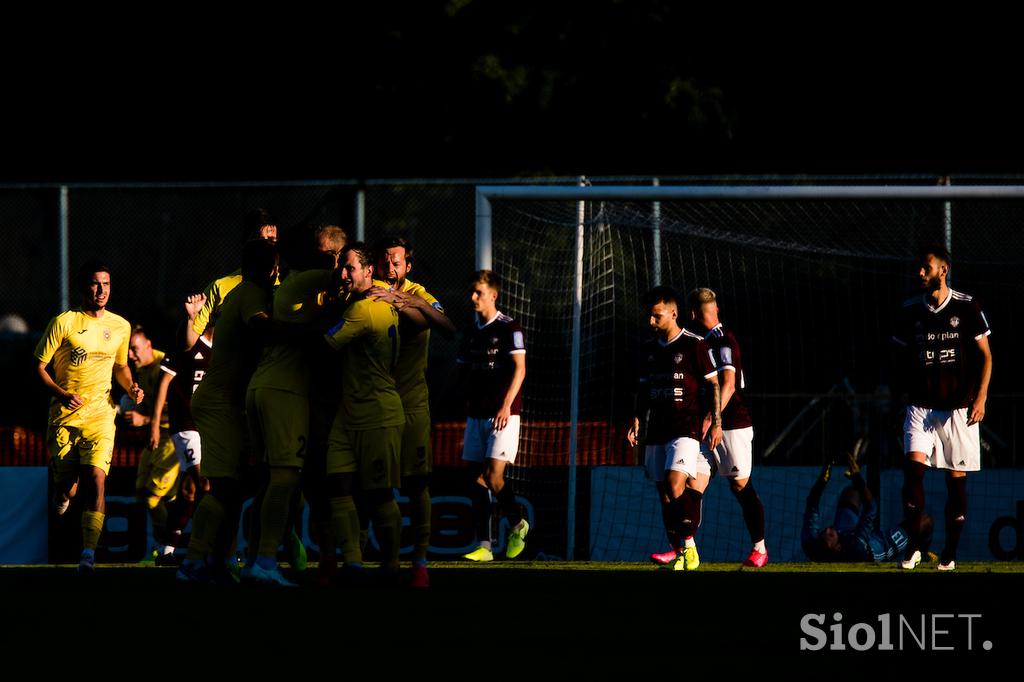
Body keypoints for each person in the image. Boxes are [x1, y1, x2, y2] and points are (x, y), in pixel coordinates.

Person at [243, 227, 342, 586]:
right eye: (338, 260)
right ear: (334, 258)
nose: (341, 270)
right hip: (283, 392)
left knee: (269, 481)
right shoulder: (317, 279)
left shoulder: (296, 287)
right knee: (285, 478)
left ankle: (254, 557)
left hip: (263, 387)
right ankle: (265, 560)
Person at [176, 239, 279, 585]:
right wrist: (301, 328)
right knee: (223, 487)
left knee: (237, 486)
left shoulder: (240, 292)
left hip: (225, 401)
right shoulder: (250, 293)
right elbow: (262, 327)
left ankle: (216, 561)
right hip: (220, 403)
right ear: (273, 269)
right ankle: (193, 562)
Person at [33, 259, 143, 575]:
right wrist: (62, 393)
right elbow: (39, 366)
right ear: (84, 286)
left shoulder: (120, 326)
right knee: (69, 486)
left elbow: (121, 367)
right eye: (96, 283)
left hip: (101, 415)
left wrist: (132, 386)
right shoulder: (64, 323)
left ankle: (88, 552)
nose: (101, 290)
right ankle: (62, 491)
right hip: (65, 415)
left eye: (106, 284)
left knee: (97, 479)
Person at [894, 244, 992, 571]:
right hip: (920, 407)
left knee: (955, 483)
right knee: (912, 476)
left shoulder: (966, 306)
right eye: (919, 268)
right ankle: (916, 546)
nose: (920, 272)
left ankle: (949, 555)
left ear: (943, 270)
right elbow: (898, 360)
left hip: (958, 409)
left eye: (926, 267)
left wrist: (980, 398)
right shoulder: (910, 310)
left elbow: (986, 357)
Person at [368, 236, 456, 587]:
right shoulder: (369, 289)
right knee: (376, 483)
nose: (390, 268)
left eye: (396, 262)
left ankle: (419, 559)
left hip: (412, 399)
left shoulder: (419, 292)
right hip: (375, 400)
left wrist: (409, 301)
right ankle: (384, 559)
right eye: (385, 261)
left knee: (417, 482)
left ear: (408, 267)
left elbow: (443, 325)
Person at [323, 242, 405, 581]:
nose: (343, 274)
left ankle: (391, 564)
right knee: (338, 484)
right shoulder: (381, 296)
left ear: (369, 271)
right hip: (350, 412)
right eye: (342, 266)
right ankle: (354, 563)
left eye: (350, 268)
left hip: (378, 413)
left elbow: (324, 344)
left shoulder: (362, 310)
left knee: (379, 494)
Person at [626, 286, 722, 571]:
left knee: (674, 482)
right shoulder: (649, 350)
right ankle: (680, 550)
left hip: (686, 427)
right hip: (657, 429)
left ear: (673, 313)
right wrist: (636, 419)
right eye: (649, 316)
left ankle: (689, 548)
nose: (651, 321)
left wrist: (716, 422)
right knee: (664, 494)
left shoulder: (694, 344)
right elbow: (643, 390)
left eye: (657, 316)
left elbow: (714, 384)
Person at [685, 288, 768, 567]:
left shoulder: (722, 341)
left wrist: (712, 418)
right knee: (691, 484)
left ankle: (760, 548)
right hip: (708, 425)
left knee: (740, 486)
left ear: (693, 314)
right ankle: (685, 547)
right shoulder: (704, 341)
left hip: (732, 425)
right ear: (716, 309)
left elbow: (729, 384)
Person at [458, 270, 529, 562]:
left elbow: (520, 369)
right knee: (476, 480)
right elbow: (462, 370)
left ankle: (517, 523)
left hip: (504, 415)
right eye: (472, 292)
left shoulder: (509, 327)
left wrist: (506, 405)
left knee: (494, 477)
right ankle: (485, 547)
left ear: (493, 295)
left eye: (479, 292)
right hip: (476, 415)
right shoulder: (471, 330)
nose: (473, 297)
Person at [149, 316, 214, 561]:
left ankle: (167, 550)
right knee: (205, 483)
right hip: (185, 425)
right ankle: (211, 548)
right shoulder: (185, 346)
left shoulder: (225, 348)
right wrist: (155, 425)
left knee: (188, 489)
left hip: (209, 425)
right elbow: (163, 384)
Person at [802, 451, 933, 562]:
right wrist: (859, 480)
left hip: (846, 531)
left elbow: (811, 504)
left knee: (851, 493)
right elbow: (871, 509)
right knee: (925, 521)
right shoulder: (856, 548)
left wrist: (822, 482)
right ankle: (923, 555)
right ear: (837, 548)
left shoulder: (812, 545)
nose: (827, 530)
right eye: (829, 535)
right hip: (876, 546)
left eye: (822, 533)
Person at [184, 208, 278, 349]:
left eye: (273, 240)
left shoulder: (285, 284)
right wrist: (192, 319)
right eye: (263, 240)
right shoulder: (220, 286)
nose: (270, 246)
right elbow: (191, 344)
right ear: (248, 242)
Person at [126, 325, 181, 564]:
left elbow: (180, 413)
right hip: (154, 439)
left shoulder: (164, 367)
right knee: (141, 492)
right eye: (128, 350)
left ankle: (164, 550)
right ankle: (161, 547)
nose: (130, 355)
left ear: (148, 346)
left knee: (152, 497)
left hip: (171, 439)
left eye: (135, 349)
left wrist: (145, 419)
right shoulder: (141, 369)